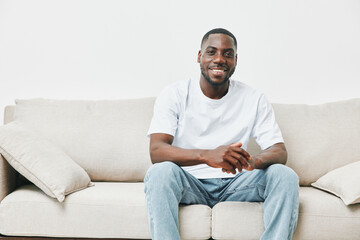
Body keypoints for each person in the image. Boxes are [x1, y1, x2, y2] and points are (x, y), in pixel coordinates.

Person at [144, 28, 299, 240]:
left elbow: (280, 151)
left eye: (227, 54)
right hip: (190, 182)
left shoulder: (253, 98)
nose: (219, 59)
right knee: (159, 173)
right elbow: (157, 151)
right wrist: (206, 155)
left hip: (237, 183)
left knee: (284, 175)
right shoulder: (175, 94)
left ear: (235, 60)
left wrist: (251, 161)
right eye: (211, 52)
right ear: (199, 56)